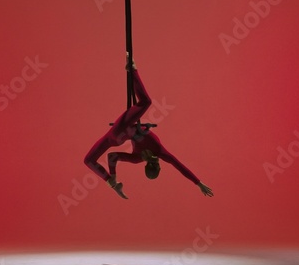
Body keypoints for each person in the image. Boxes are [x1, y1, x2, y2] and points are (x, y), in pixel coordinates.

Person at [84, 56, 213, 199]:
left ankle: (132, 69)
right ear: (145, 166)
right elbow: (112, 156)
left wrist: (199, 183)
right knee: (88, 160)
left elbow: (179, 165)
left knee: (146, 102)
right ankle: (111, 182)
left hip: (124, 129)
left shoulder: (159, 152)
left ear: (158, 166)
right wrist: (112, 176)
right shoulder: (137, 159)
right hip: (116, 137)